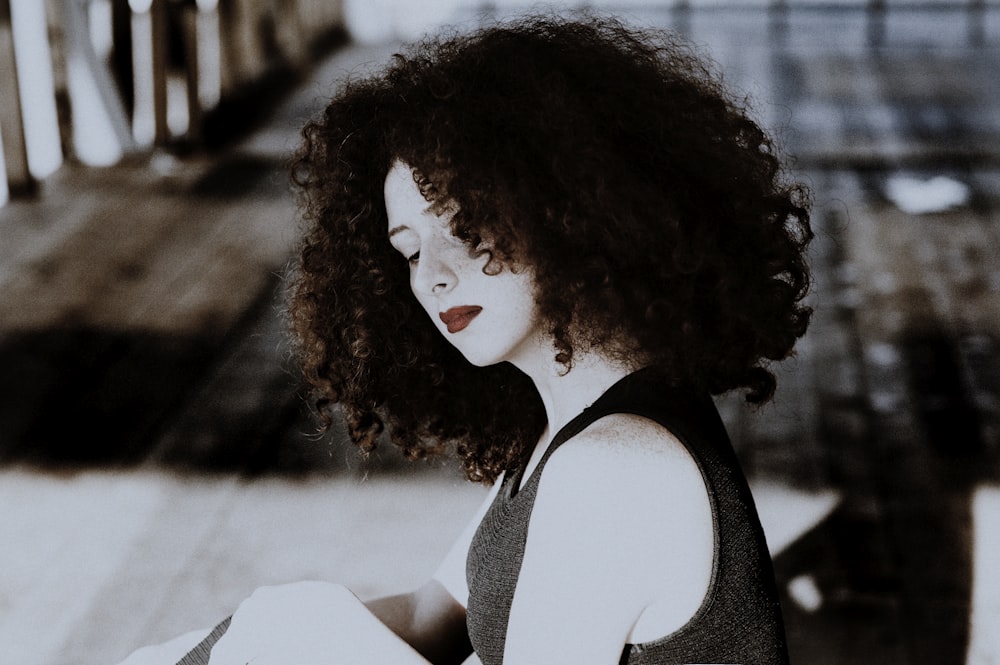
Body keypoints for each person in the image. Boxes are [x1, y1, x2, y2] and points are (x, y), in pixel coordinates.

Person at [122, 12, 812, 665]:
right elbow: (432, 615)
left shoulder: (616, 465)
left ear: (565, 209)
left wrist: (277, 634)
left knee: (290, 622)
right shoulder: (565, 427)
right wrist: (236, 642)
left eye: (461, 224)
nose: (434, 278)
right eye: (409, 249)